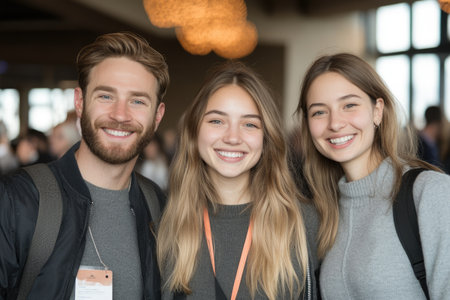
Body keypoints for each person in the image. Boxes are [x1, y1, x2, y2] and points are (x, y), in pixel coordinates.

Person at [0, 31, 169, 299]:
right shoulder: (17, 199)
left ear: (157, 116)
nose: (120, 115)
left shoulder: (158, 206)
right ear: (80, 102)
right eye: (105, 96)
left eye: (137, 101)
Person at [295, 53, 450, 299]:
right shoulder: (323, 212)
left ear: (377, 111)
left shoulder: (430, 193)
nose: (335, 123)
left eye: (349, 105)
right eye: (319, 112)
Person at [157, 62, 314, 300]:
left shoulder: (305, 223)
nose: (232, 137)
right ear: (195, 130)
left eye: (249, 124)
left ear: (266, 137)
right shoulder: (163, 221)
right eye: (217, 121)